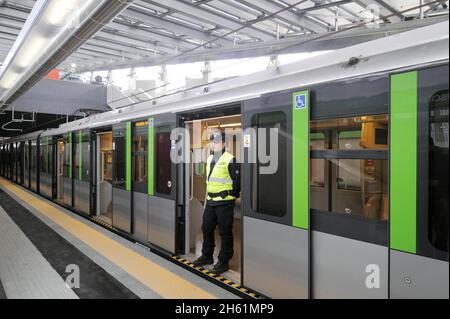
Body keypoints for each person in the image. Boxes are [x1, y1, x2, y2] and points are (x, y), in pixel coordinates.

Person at [193, 132, 240, 275]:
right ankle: (207, 256)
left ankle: (223, 261)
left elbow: (237, 183)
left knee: (225, 232)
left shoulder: (231, 159)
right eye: (212, 142)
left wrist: (230, 196)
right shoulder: (210, 159)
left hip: (224, 203)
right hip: (211, 201)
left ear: (224, 144)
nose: (214, 144)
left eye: (217, 142)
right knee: (206, 227)